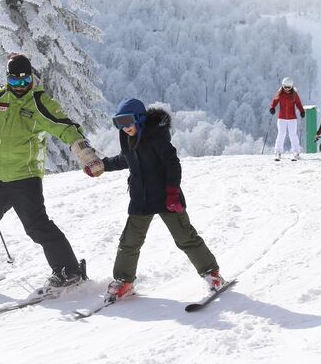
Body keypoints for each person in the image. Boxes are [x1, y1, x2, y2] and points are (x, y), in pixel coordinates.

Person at [0, 54, 105, 294]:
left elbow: (66, 128)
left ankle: (69, 271)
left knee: (37, 227)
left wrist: (88, 157)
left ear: (32, 79)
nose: (21, 87)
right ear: (8, 80)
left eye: (25, 82)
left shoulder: (39, 102)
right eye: (15, 83)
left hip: (26, 179)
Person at [96, 98, 225, 303]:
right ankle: (124, 281)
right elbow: (125, 159)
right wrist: (103, 166)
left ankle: (212, 273)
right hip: (141, 198)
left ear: (139, 118)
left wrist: (172, 192)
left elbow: (173, 164)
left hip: (166, 197)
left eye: (127, 121)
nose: (124, 127)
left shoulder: (156, 138)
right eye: (119, 123)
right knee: (129, 242)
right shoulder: (128, 137)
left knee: (185, 237)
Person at [269, 77, 305, 160]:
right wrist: (272, 108)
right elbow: (275, 101)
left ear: (292, 87)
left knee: (293, 134)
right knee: (281, 134)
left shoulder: (294, 94)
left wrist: (302, 111)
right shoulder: (280, 93)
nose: (287, 89)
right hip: (281, 118)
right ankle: (278, 151)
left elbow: (299, 103)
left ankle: (296, 152)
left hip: (292, 118)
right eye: (285, 87)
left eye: (289, 87)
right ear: (283, 86)